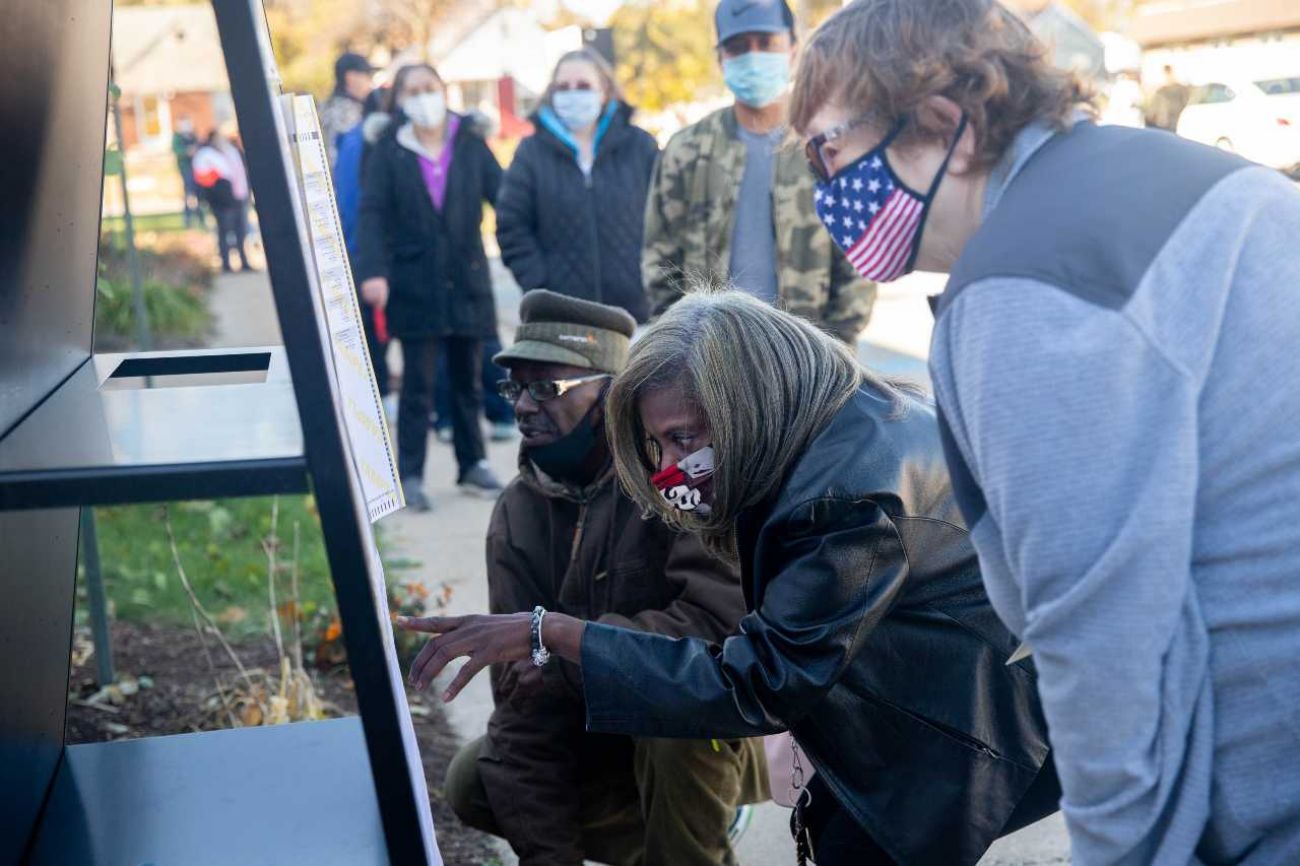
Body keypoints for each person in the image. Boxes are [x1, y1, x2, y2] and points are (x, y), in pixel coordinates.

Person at [787, 1, 1300, 863]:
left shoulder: (1024, 286)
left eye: (827, 149)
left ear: (943, 121)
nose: (823, 190)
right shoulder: (1174, 174)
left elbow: (1104, 652)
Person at [400, 289, 1061, 866]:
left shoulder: (839, 499)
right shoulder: (823, 433)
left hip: (983, 712)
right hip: (896, 698)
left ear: (742, 400)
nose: (672, 469)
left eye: (684, 438)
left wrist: (559, 636)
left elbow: (752, 679)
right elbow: (525, 711)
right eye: (658, 446)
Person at [441, 289, 766, 866]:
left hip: (723, 727)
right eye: (515, 388)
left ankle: (696, 838)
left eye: (548, 388)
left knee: (670, 721)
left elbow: (717, 632)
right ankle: (660, 842)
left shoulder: (676, 477)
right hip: (602, 736)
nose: (522, 406)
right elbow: (520, 708)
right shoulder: (517, 512)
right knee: (474, 778)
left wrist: (564, 654)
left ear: (611, 397)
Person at [641, 0, 875, 343]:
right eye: (737, 47)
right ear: (720, 58)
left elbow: (857, 262)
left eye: (766, 43)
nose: (753, 57)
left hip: (809, 359)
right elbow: (660, 261)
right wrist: (681, 349)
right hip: (709, 360)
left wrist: (830, 354)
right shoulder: (686, 150)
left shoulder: (831, 145)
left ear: (793, 48)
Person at [356, 64, 505, 509]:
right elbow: (373, 214)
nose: (422, 97)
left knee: (468, 380)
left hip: (467, 279)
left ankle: (473, 463)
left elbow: (506, 197)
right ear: (398, 99)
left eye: (429, 88)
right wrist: (373, 272)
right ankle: (412, 475)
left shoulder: (470, 141)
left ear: (444, 90)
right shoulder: (388, 148)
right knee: (418, 385)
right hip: (413, 281)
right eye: (412, 90)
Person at [496, 48, 659, 322]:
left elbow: (668, 220)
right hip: (562, 319)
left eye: (583, 86)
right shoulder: (531, 153)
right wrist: (540, 285)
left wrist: (653, 279)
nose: (573, 94)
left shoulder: (640, 146)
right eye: (563, 87)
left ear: (604, 90)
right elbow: (512, 225)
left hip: (636, 314)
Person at [334, 88, 392, 408]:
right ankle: (381, 390)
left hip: (355, 245)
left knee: (369, 327)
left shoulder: (350, 140)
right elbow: (359, 201)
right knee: (375, 326)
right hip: (368, 248)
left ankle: (378, 389)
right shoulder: (369, 144)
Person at [192, 125, 252, 274]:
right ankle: (226, 264)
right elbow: (203, 178)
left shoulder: (232, 152)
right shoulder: (206, 155)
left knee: (241, 231)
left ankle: (244, 261)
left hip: (238, 197)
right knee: (224, 232)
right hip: (221, 201)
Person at [320, 51, 374, 167]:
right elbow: (345, 157)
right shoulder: (345, 112)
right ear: (351, 78)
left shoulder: (331, 106)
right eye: (367, 76)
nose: (370, 82)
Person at [171, 117, 206, 228]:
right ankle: (188, 217)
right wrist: (187, 151)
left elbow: (200, 146)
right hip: (185, 168)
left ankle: (200, 217)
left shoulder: (193, 135)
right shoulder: (177, 137)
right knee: (188, 193)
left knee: (198, 193)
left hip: (196, 168)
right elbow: (177, 150)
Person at [1146, 64, 1191, 132]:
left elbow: (1185, 100)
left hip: (1173, 117)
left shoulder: (1178, 88)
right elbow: (1155, 106)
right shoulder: (1161, 90)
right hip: (1164, 119)